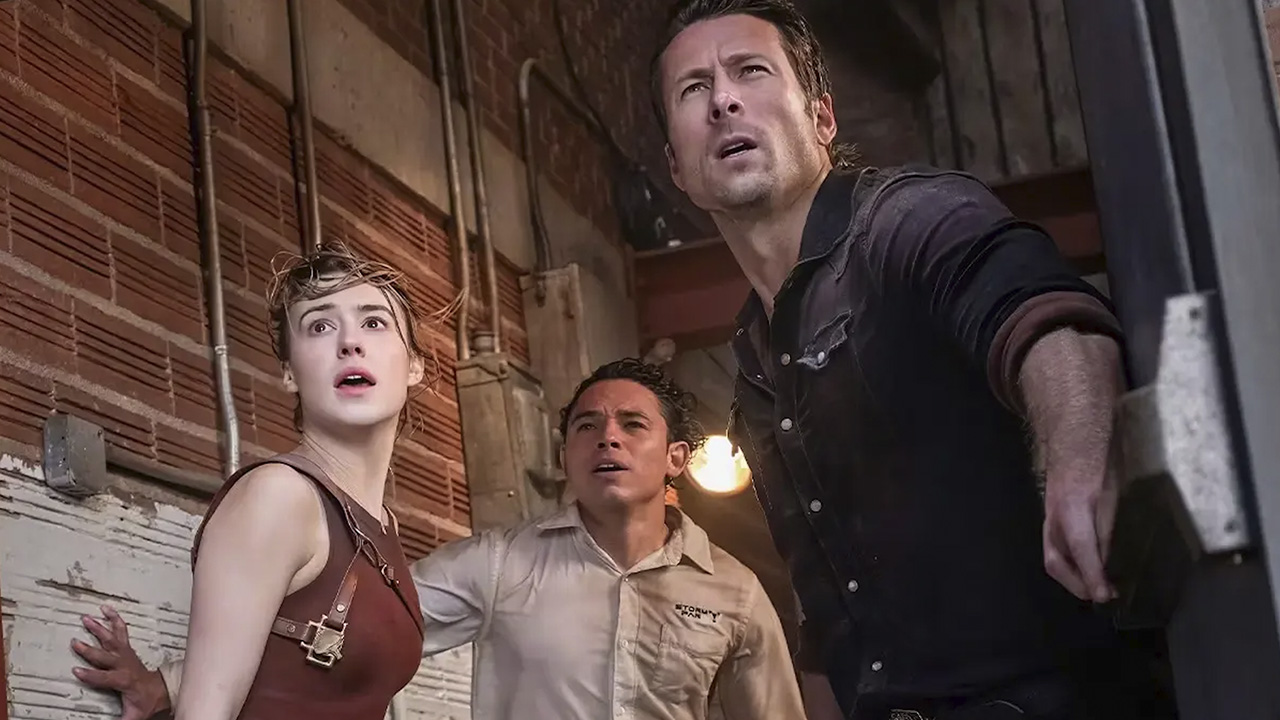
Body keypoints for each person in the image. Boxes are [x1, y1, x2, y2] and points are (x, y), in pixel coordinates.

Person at [651, 1, 1171, 719]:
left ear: (822, 118)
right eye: (693, 89)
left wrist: (1082, 459)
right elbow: (826, 612)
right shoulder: (755, 368)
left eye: (751, 71)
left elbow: (1048, 317)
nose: (723, 101)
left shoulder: (906, 221)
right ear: (677, 169)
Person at [72, 358, 808, 720]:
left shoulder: (734, 595)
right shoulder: (502, 563)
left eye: (632, 426)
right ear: (566, 457)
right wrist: (166, 684)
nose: (606, 439)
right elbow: (342, 624)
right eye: (587, 426)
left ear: (676, 458)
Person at [101, 241, 433, 720]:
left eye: (374, 322)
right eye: (320, 326)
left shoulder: (381, 524)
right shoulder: (279, 496)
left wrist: (161, 684)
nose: (349, 342)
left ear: (415, 366)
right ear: (289, 374)